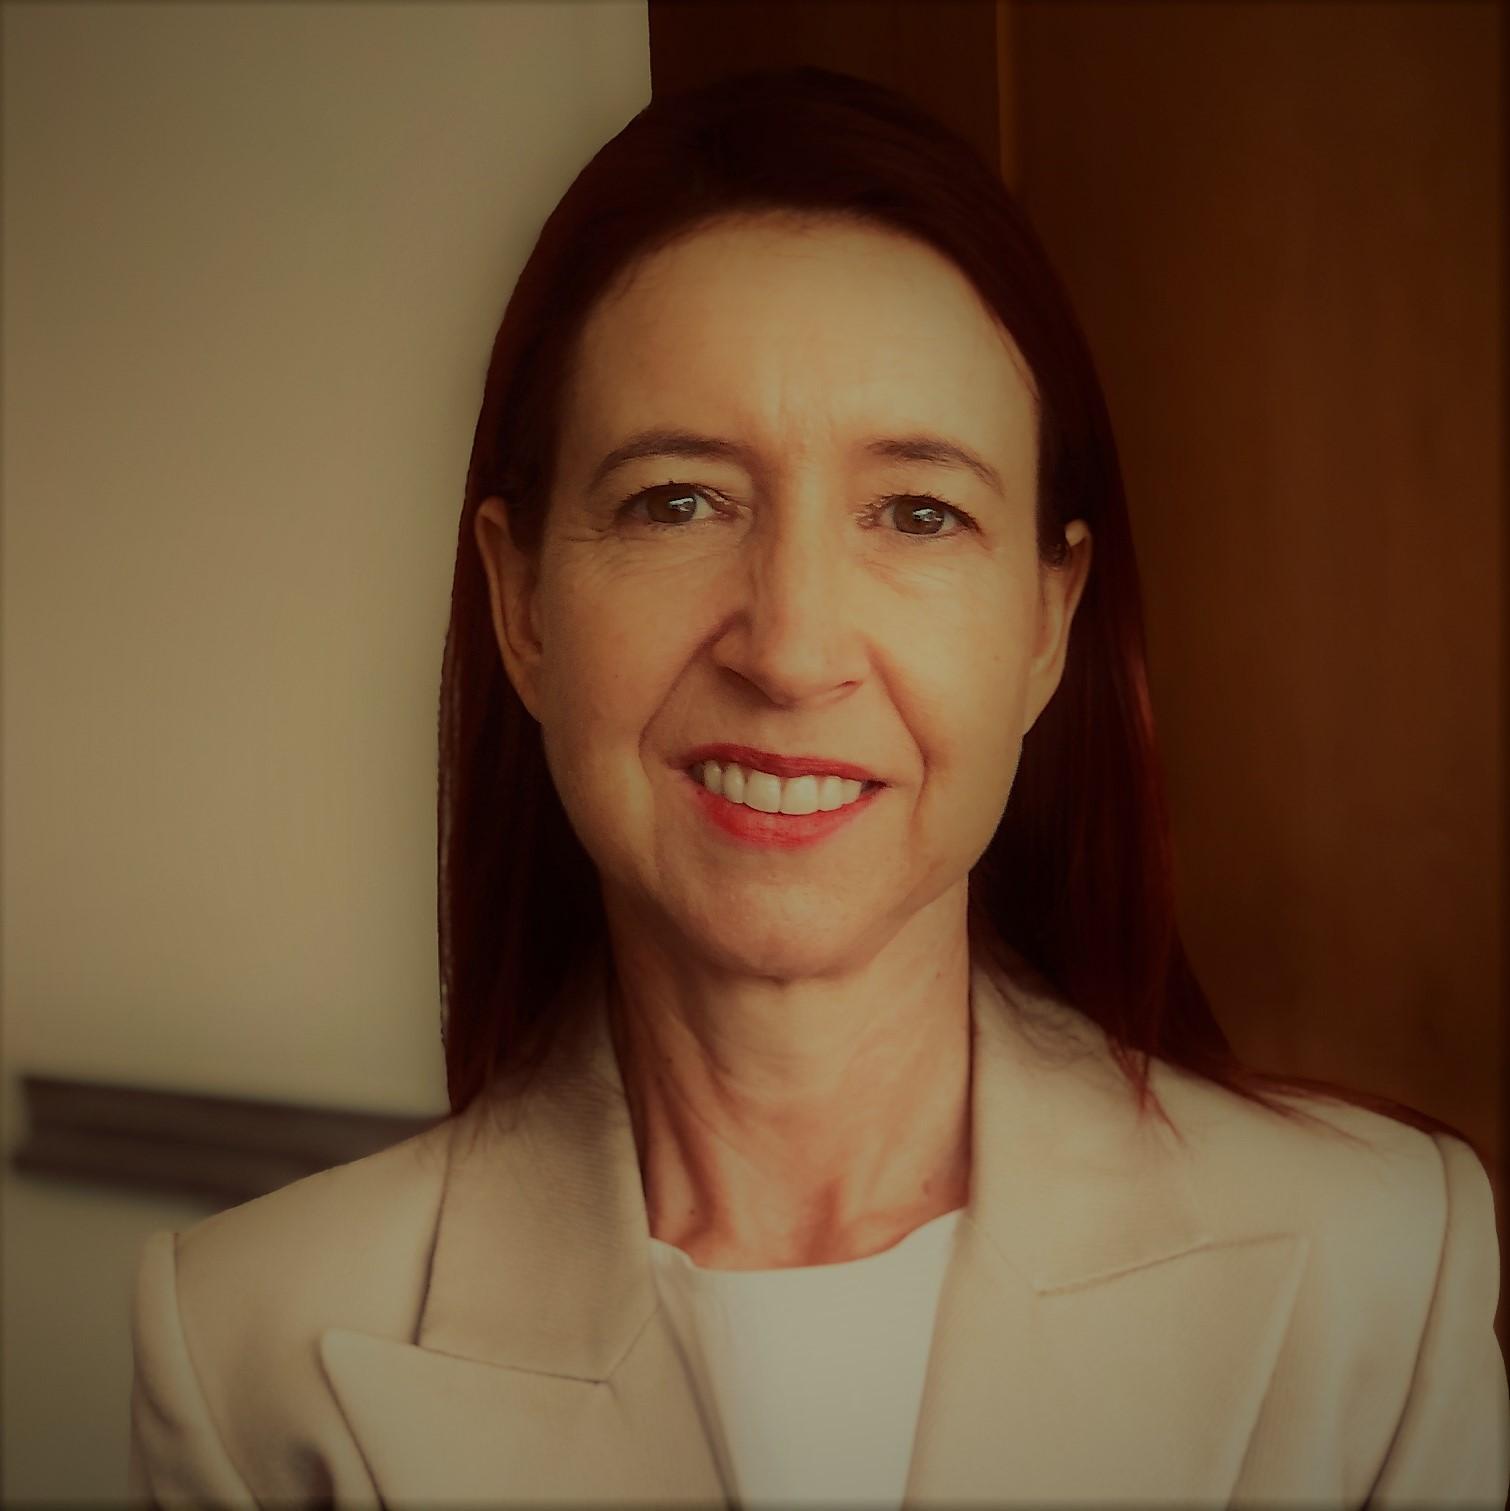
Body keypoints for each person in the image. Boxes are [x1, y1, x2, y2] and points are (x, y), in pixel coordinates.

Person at [127, 66, 1508, 1508]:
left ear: (1047, 624)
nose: (789, 649)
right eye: (676, 501)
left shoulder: (1376, 1272)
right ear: (521, 603)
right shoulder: (247, 1361)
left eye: (917, 512)